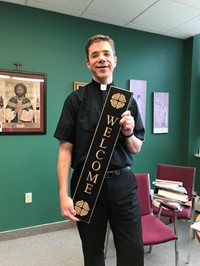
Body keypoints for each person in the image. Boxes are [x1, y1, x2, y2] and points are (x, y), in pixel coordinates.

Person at [54, 34, 145, 266]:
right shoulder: (75, 100)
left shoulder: (129, 102)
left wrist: (128, 133)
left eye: (106, 54)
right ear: (88, 63)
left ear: (115, 60)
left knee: (132, 251)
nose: (101, 59)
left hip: (123, 185)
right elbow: (65, 148)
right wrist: (63, 194)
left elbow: (136, 148)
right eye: (95, 55)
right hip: (87, 184)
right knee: (92, 253)